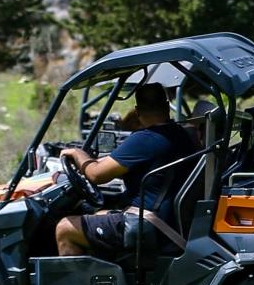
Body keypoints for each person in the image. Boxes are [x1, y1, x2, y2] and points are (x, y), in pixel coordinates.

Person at [54, 84, 201, 258]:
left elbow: (96, 174)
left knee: (65, 228)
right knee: (96, 214)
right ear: (167, 106)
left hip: (146, 223)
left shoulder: (146, 139)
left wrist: (77, 153)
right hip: (165, 221)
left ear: (137, 111)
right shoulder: (180, 134)